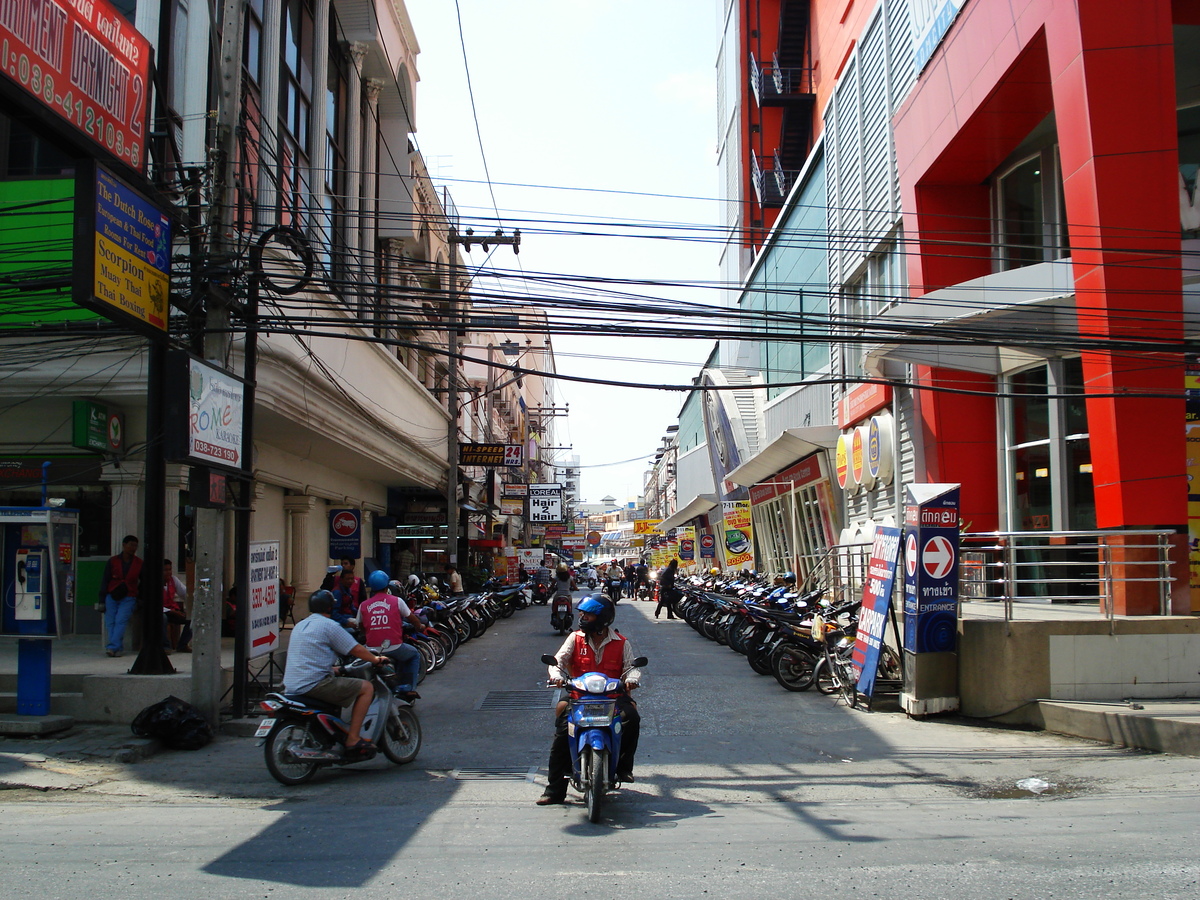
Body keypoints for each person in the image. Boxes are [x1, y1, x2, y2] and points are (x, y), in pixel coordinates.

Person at [537, 595, 642, 805]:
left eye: (588, 615)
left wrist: (632, 679)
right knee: (562, 731)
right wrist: (556, 676)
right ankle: (554, 790)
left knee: (631, 718)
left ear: (602, 618)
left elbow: (633, 667)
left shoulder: (621, 642)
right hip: (579, 697)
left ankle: (623, 768)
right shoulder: (574, 638)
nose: (583, 618)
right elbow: (558, 661)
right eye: (582, 614)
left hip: (613, 698)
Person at [281, 589, 389, 754]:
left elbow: (310, 657)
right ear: (330, 607)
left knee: (339, 683)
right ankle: (353, 738)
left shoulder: (300, 625)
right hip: (314, 684)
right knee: (366, 688)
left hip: (292, 684)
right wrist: (375, 659)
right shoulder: (329, 626)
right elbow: (356, 649)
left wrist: (335, 670)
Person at [358, 570, 425, 702]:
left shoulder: (363, 605)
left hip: (371, 649)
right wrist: (420, 626)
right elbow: (412, 618)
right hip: (394, 647)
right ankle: (410, 688)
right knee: (414, 655)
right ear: (387, 586)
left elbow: (360, 625)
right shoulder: (397, 601)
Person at [99, 535, 142, 658]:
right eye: (131, 545)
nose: (133, 548)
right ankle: (117, 646)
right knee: (110, 622)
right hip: (112, 594)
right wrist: (101, 599)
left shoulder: (139, 563)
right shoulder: (113, 561)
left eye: (135, 546)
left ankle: (112, 647)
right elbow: (105, 580)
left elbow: (143, 581)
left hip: (129, 595)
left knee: (121, 621)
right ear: (124, 545)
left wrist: (139, 596)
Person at [162, 559, 192, 652]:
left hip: (173, 610)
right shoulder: (153, 582)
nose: (168, 572)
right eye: (165, 570)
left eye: (169, 569)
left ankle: (182, 645)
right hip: (161, 611)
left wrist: (191, 607)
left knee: (192, 619)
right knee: (163, 618)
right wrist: (171, 611)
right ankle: (165, 646)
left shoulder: (173, 580)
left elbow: (185, 594)